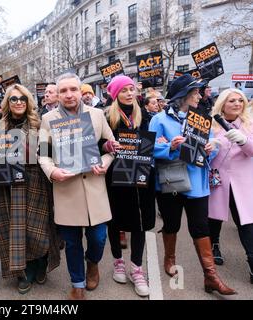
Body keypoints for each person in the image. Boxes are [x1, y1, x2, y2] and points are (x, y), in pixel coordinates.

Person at [149, 74, 236, 295]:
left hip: (197, 180)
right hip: (171, 180)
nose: (199, 95)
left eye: (199, 92)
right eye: (195, 92)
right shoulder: (159, 119)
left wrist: (211, 149)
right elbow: (147, 149)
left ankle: (211, 277)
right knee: (172, 224)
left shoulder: (202, 118)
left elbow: (214, 146)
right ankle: (169, 257)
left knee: (200, 227)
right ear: (183, 95)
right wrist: (169, 146)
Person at [38, 73, 115, 300]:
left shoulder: (97, 115)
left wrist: (105, 163)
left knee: (98, 238)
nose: (69, 94)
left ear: (80, 91)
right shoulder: (48, 119)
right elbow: (42, 154)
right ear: (58, 94)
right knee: (71, 243)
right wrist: (52, 171)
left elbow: (111, 148)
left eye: (73, 89)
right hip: (66, 190)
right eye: (63, 91)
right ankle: (77, 283)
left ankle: (93, 263)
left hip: (94, 189)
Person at [0, 84, 61, 294]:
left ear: (28, 101)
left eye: (22, 98)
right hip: (9, 185)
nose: (18, 102)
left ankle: (42, 263)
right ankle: (25, 271)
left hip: (36, 181)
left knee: (37, 230)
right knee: (16, 231)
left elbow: (49, 153)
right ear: (7, 103)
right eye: (13, 99)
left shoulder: (39, 124)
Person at [103, 75, 156, 297]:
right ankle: (118, 262)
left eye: (131, 89)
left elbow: (152, 142)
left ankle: (137, 268)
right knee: (115, 222)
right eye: (124, 90)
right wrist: (106, 145)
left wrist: (160, 143)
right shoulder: (107, 117)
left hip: (142, 176)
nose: (129, 93)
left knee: (140, 223)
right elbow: (96, 143)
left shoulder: (145, 115)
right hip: (116, 177)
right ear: (116, 94)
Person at [208, 88, 253, 284]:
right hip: (217, 180)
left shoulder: (250, 124)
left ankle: (252, 261)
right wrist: (209, 145)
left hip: (243, 182)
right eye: (232, 101)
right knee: (214, 218)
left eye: (240, 101)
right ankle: (214, 244)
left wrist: (244, 141)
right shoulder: (212, 124)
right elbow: (201, 150)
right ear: (223, 104)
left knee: (247, 223)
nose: (237, 104)